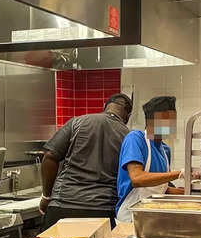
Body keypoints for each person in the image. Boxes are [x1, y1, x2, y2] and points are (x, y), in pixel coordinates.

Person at [40, 94, 132, 229]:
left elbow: (49, 157)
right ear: (128, 116)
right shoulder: (129, 136)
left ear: (104, 107)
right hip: (103, 210)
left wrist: (46, 196)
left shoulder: (77, 122)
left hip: (64, 205)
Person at [115, 96, 186, 223]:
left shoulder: (165, 150)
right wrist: (179, 174)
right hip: (131, 217)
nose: (171, 124)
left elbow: (160, 188)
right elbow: (137, 179)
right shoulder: (135, 139)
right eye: (167, 119)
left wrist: (190, 193)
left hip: (152, 216)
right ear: (152, 120)